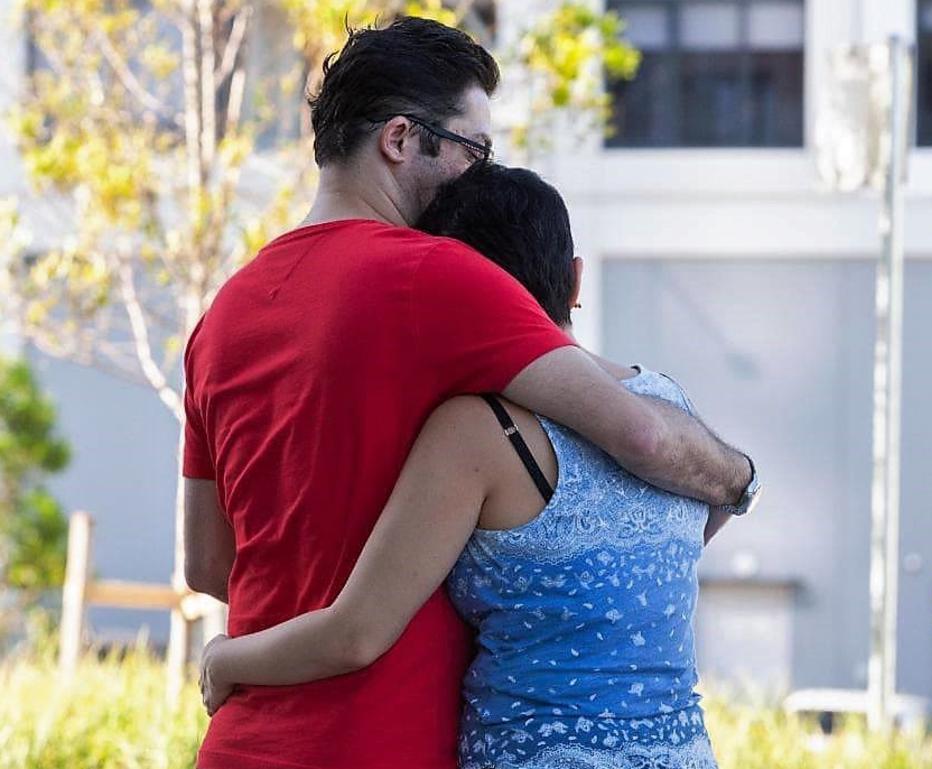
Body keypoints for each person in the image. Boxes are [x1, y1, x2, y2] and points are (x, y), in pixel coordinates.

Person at [183, 19, 756, 769]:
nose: (479, 175)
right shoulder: (438, 276)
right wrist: (738, 478)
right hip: (379, 741)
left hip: (242, 740)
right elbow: (639, 437)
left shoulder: (221, 316)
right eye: (473, 150)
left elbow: (205, 563)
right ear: (400, 139)